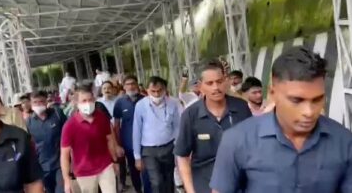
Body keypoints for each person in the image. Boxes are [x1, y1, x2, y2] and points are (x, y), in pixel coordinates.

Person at [210, 47, 352, 193]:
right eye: (297, 100)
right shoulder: (236, 141)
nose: (309, 112)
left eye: (317, 99)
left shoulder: (345, 142)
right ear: (272, 94)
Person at [173, 60, 252, 193]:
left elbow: (254, 147)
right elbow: (182, 156)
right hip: (205, 185)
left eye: (219, 81)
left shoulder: (241, 108)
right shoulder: (191, 115)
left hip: (240, 184)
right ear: (200, 86)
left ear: (226, 81)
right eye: (210, 83)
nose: (216, 87)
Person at [61, 84, 119, 193]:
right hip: (84, 172)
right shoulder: (69, 126)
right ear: (76, 103)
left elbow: (109, 140)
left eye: (90, 99)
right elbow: (64, 155)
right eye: (83, 101)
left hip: (105, 166)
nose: (88, 103)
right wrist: (66, 180)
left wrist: (115, 161)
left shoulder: (102, 118)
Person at [133, 76, 181, 193]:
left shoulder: (173, 103)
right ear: (147, 90)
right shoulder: (140, 105)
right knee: (157, 181)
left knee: (169, 179)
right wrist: (137, 157)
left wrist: (178, 149)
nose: (156, 94)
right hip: (149, 151)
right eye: (153, 91)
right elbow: (136, 131)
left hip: (169, 147)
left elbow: (177, 127)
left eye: (159, 90)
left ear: (164, 89)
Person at [113, 75, 151, 193]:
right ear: (124, 87)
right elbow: (116, 124)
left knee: (146, 169)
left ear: (137, 84)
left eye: (133, 83)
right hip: (128, 143)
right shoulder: (119, 102)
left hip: (146, 141)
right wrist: (118, 143)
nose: (131, 86)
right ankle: (138, 190)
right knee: (134, 169)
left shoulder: (146, 100)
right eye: (128, 84)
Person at [27, 91, 68, 193]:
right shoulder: (29, 122)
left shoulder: (57, 114)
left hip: (60, 164)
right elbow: (30, 145)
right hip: (42, 166)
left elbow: (67, 133)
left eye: (41, 102)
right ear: (31, 104)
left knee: (61, 190)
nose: (38, 105)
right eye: (35, 102)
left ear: (46, 102)